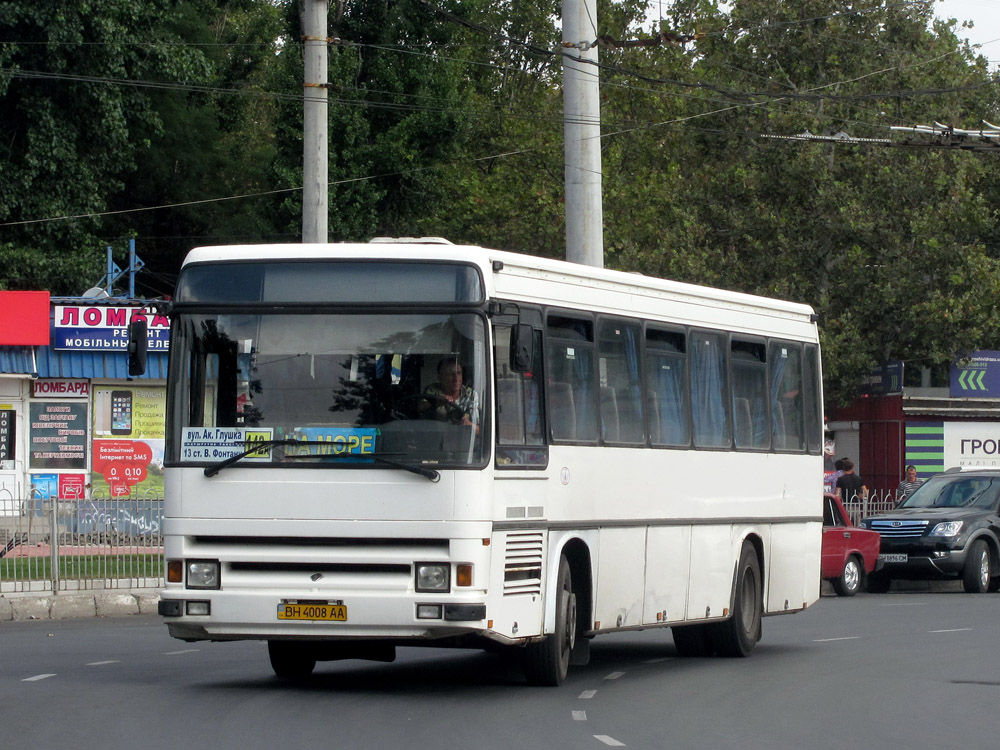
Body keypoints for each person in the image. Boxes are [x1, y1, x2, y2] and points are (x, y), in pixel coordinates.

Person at [420, 357, 480, 435]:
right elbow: (420, 408)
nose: (456, 379)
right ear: (440, 377)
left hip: (462, 440)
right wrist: (438, 402)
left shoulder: (471, 395)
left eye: (459, 373)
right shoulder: (432, 390)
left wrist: (468, 424)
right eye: (451, 374)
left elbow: (481, 431)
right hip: (435, 437)